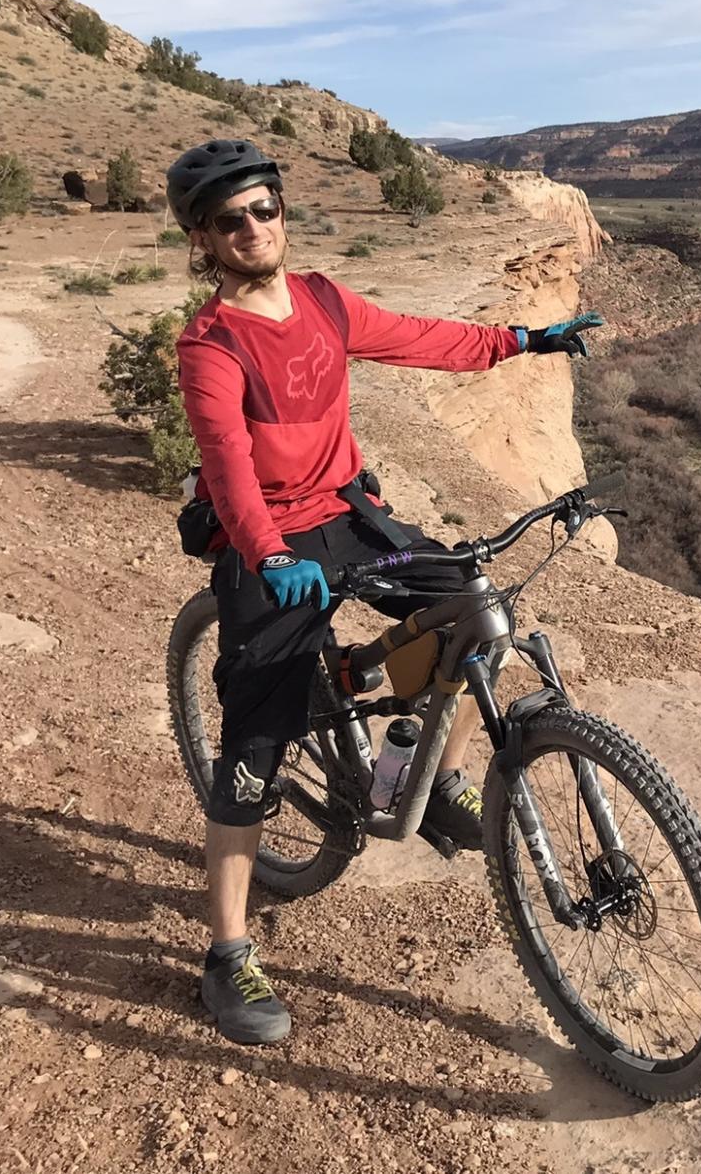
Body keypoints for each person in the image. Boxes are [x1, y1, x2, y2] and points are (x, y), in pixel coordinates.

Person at [166, 138, 603, 1046]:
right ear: (202, 239)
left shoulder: (324, 301)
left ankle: (431, 780)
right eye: (227, 220)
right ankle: (226, 953)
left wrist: (522, 340)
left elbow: (421, 339)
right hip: (268, 542)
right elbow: (228, 463)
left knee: (475, 614)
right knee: (252, 752)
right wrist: (267, 555)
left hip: (348, 516)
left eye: (263, 207)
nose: (251, 228)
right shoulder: (210, 344)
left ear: (282, 209)